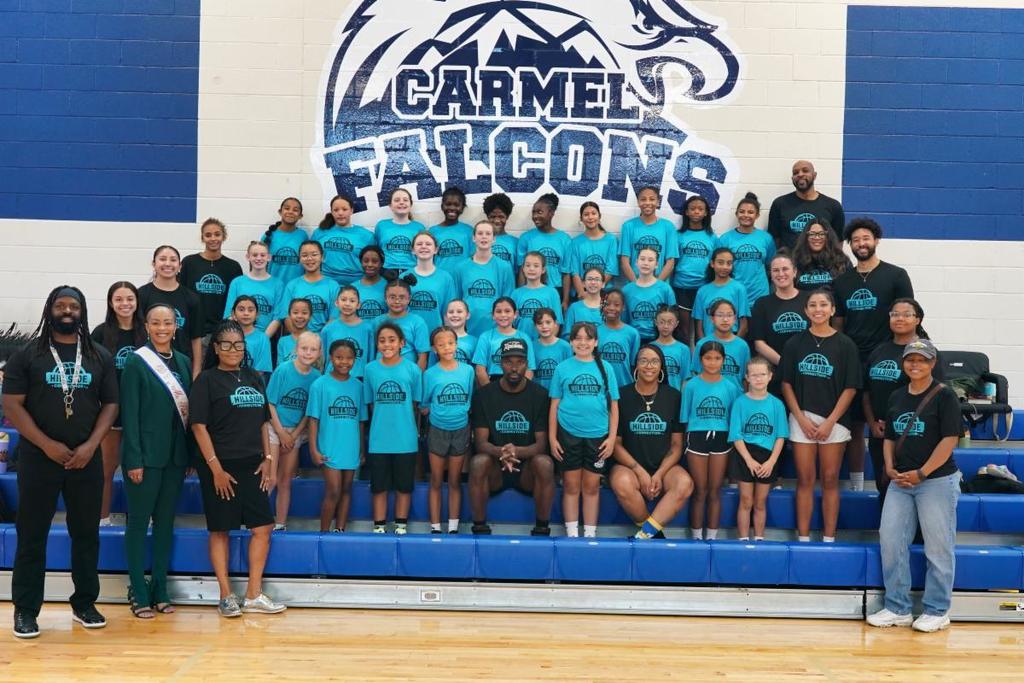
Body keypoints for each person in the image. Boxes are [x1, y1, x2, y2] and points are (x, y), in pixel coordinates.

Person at [3, 286, 119, 638]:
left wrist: (90, 446)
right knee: (31, 536)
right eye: (60, 305)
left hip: (85, 460)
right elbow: (11, 404)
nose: (67, 310)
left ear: (83, 311)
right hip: (39, 459)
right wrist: (46, 444)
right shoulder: (28, 355)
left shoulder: (99, 356)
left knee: (86, 535)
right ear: (49, 309)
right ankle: (25, 611)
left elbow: (111, 405)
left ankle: (84, 603)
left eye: (74, 305)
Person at [190, 320, 285, 618]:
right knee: (220, 530)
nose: (233, 350)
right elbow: (198, 427)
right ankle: (226, 595)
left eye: (239, 344)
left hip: (252, 465)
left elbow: (263, 422)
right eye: (226, 344)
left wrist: (268, 461)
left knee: (263, 527)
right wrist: (215, 469)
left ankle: (254, 594)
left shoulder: (254, 377)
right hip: (220, 467)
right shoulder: (206, 380)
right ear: (215, 348)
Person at [867, 339, 961, 633]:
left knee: (938, 547)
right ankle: (897, 607)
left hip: (936, 481)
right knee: (892, 542)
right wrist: (889, 466)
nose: (915, 364)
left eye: (922, 360)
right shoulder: (896, 396)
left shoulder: (945, 396)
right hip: (900, 481)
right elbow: (890, 436)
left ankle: (937, 609)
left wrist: (922, 472)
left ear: (933, 363)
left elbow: (949, 440)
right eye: (911, 360)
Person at [119, 303, 193, 618]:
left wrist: (188, 454)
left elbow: (188, 416)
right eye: (156, 322)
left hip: (175, 457)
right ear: (146, 326)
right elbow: (130, 415)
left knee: (165, 525)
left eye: (168, 322)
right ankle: (137, 590)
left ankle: (160, 587)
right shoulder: (137, 362)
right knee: (138, 524)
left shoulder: (184, 362)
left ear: (176, 326)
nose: (163, 328)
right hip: (145, 458)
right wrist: (133, 458)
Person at [834, 218, 915, 491]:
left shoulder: (896, 275)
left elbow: (910, 315)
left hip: (887, 360)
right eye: (855, 240)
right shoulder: (842, 282)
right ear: (850, 245)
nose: (861, 244)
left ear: (876, 240)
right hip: (854, 360)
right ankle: (858, 484)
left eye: (866, 238)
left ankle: (895, 479)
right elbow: (839, 326)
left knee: (888, 423)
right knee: (856, 424)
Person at [781, 290, 861, 542]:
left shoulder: (846, 345)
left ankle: (829, 539)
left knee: (829, 480)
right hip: (801, 418)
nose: (818, 309)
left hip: (834, 422)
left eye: (823, 304)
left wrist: (829, 422)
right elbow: (786, 384)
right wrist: (801, 418)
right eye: (812, 305)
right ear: (805, 311)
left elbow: (851, 388)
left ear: (833, 309)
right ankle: (803, 539)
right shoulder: (795, 343)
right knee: (805, 480)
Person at [468, 338, 555, 536]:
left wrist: (516, 451)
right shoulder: (484, 395)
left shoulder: (540, 395)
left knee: (544, 463)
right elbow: (481, 443)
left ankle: (542, 528)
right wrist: (502, 452)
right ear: (500, 363)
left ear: (527, 364)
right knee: (478, 462)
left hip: (527, 471)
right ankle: (479, 527)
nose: (514, 368)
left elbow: (541, 445)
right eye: (509, 362)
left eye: (520, 362)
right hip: (495, 470)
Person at [611, 345, 693, 539]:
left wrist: (659, 474)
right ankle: (655, 535)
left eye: (654, 361)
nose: (649, 366)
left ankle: (645, 534)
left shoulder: (673, 396)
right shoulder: (621, 396)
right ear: (636, 365)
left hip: (663, 467)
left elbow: (676, 445)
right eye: (643, 360)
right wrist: (639, 471)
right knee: (622, 483)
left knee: (685, 483)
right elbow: (615, 444)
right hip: (629, 466)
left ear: (661, 367)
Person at [549, 322, 619, 538]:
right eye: (577, 338)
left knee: (591, 487)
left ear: (595, 342)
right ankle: (572, 534)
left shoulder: (605, 368)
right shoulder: (562, 368)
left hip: (597, 435)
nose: (583, 342)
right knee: (570, 486)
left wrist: (612, 438)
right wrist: (552, 438)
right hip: (568, 434)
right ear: (570, 342)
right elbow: (554, 404)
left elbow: (614, 406)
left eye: (588, 338)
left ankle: (589, 535)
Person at [864, 298, 931, 500]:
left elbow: (932, 397)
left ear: (917, 319)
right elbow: (867, 392)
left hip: (911, 434)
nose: (899, 318)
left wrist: (897, 426)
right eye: (895, 314)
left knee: (910, 490)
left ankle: (915, 533)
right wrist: (871, 424)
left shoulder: (925, 352)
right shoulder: (879, 350)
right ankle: (888, 532)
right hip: (880, 434)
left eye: (906, 314)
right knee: (884, 488)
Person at [90, 281, 145, 526]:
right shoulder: (100, 333)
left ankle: (143, 517)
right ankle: (102, 518)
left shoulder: (148, 331)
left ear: (137, 302)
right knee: (105, 469)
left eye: (130, 299)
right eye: (119, 299)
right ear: (111, 303)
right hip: (109, 412)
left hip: (141, 413)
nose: (125, 304)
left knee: (141, 470)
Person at [363, 322, 423, 534]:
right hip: (379, 439)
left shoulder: (413, 369)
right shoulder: (370, 369)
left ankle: (401, 524)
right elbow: (369, 405)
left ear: (402, 343)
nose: (387, 344)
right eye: (382, 340)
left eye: (392, 340)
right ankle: (379, 526)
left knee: (404, 486)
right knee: (378, 486)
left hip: (405, 439)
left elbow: (416, 405)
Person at [680, 340, 741, 540]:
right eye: (708, 358)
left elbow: (734, 419)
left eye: (717, 358)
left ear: (723, 360)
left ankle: (712, 538)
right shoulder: (691, 385)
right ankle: (697, 537)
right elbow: (685, 417)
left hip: (721, 438)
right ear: (700, 360)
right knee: (700, 490)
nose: (712, 362)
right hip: (697, 436)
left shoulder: (731, 387)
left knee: (715, 491)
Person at [307, 340, 365, 533]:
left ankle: (340, 530)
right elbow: (313, 419)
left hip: (350, 446)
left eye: (349, 358)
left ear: (355, 360)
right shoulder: (319, 384)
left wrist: (362, 449)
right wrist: (314, 449)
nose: (344, 362)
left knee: (347, 488)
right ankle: (323, 533)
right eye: (339, 357)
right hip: (329, 446)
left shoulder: (358, 386)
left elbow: (361, 421)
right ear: (331, 358)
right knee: (333, 490)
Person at [728, 357, 789, 541]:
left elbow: (780, 436)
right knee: (746, 501)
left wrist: (771, 462)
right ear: (746, 377)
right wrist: (749, 460)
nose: (758, 379)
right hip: (745, 454)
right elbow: (736, 436)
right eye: (754, 375)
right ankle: (743, 539)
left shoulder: (777, 404)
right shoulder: (739, 402)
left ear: (770, 376)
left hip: (767, 457)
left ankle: (759, 538)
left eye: (762, 374)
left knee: (760, 502)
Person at [266, 331, 322, 530]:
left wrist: (294, 435)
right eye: (304, 348)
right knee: (270, 478)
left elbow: (309, 413)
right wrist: (281, 432)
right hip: (275, 427)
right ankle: (257, 520)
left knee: (285, 480)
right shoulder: (283, 370)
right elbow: (270, 404)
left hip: (295, 432)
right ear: (296, 349)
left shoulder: (317, 378)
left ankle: (280, 523)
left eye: (313, 349)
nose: (308, 353)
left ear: (319, 353)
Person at [422, 327, 475, 534]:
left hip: (460, 428)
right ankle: (435, 526)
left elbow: (469, 399)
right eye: (441, 344)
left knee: (454, 480)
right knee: (436, 479)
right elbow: (425, 404)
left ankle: (453, 527)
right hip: (437, 429)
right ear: (434, 348)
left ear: (456, 344)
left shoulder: (468, 371)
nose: (446, 347)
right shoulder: (430, 373)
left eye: (450, 343)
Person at [749, 252, 810, 398]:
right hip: (776, 373)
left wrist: (801, 364)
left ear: (794, 272)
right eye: (776, 270)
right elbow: (759, 343)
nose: (780, 274)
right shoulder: (762, 304)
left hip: (807, 371)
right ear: (770, 274)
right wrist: (785, 364)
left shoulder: (809, 299)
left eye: (785, 269)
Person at [137, 245, 203, 377]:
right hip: (148, 365)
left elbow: (196, 339)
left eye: (173, 260)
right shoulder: (141, 295)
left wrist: (196, 373)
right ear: (153, 264)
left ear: (180, 266)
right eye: (162, 259)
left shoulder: (191, 298)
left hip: (182, 367)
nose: (167, 263)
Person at [179, 218, 243, 343]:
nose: (213, 238)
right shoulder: (189, 263)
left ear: (223, 236)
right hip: (194, 331)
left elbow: (237, 302)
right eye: (208, 235)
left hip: (222, 332)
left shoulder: (233, 267)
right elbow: (181, 295)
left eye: (217, 234)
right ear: (202, 238)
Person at [454, 220, 515, 337]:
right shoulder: (460, 268)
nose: (484, 237)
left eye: (488, 234)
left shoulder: (504, 267)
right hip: (466, 328)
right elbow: (457, 300)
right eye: (480, 233)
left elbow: (507, 302)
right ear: (473, 238)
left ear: (494, 239)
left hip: (495, 329)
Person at [767, 160, 845, 251]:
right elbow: (774, 239)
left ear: (814, 175)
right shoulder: (779, 204)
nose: (800, 174)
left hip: (822, 264)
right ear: (792, 178)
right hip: (790, 263)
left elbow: (838, 241)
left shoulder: (833, 206)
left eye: (805, 170)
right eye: (795, 172)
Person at [716, 193, 775, 308]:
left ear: (757, 215)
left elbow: (770, 266)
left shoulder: (766, 238)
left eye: (750, 212)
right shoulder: (725, 239)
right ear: (736, 213)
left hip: (760, 295)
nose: (746, 215)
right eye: (742, 211)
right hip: (733, 295)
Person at [671, 195, 716, 344]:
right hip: (682, 287)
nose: (696, 212)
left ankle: (699, 365)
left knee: (701, 331)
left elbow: (715, 264)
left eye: (700, 209)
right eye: (693, 209)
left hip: (703, 288)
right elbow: (672, 262)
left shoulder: (712, 237)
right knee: (683, 331)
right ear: (686, 212)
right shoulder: (678, 235)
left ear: (705, 213)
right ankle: (686, 365)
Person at [518, 193, 571, 307]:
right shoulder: (526, 238)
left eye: (539, 212)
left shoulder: (564, 239)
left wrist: (565, 300)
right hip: (531, 289)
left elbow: (566, 273)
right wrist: (521, 293)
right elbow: (521, 271)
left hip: (556, 290)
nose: (535, 216)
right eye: (534, 212)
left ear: (551, 213)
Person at [277, 241, 340, 333]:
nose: (309, 258)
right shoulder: (292, 285)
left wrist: (317, 339)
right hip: (297, 340)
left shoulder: (333, 286)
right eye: (304, 255)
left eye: (314, 254)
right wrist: (300, 338)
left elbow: (334, 317)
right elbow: (286, 316)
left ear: (322, 257)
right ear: (299, 259)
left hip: (323, 341)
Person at [313, 194, 375, 286]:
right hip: (326, 283)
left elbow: (374, 263)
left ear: (351, 211)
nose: (340, 213)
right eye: (336, 210)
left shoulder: (366, 236)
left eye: (344, 209)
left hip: (356, 284)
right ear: (332, 212)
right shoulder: (320, 232)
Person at [223, 241, 285, 334]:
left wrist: (263, 339)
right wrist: (239, 337)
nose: (259, 258)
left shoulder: (278, 284)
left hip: (266, 337)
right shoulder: (237, 282)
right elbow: (229, 315)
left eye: (263, 255)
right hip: (239, 338)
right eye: (255, 255)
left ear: (269, 257)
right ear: (248, 257)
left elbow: (277, 318)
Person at [619, 186, 678, 284]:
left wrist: (656, 285)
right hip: (634, 284)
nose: (647, 203)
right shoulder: (628, 226)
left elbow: (670, 262)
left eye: (652, 199)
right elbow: (624, 261)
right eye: (643, 199)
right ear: (638, 202)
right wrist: (637, 284)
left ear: (658, 202)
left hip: (659, 285)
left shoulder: (668, 226)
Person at [472, 297, 536, 385]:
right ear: (493, 315)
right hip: (492, 383)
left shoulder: (524, 338)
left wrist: (520, 391)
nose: (503, 315)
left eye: (507, 311)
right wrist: (490, 392)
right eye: (498, 311)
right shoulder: (485, 337)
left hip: (518, 382)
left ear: (515, 314)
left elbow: (529, 369)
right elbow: (480, 369)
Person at [402, 231, 456, 331]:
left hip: (436, 336)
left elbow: (448, 312)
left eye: (428, 244)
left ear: (436, 249)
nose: (423, 246)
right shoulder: (403, 277)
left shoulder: (445, 278)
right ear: (413, 250)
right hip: (408, 334)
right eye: (419, 244)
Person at [692, 247, 750, 339]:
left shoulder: (739, 289)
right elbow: (699, 325)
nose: (725, 267)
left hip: (732, 339)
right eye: (720, 262)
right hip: (709, 343)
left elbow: (743, 324)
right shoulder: (702, 291)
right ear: (712, 263)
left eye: (729, 263)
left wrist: (735, 344)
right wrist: (704, 345)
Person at [691, 299, 750, 389]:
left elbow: (745, 379)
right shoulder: (702, 344)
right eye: (720, 315)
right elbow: (696, 374)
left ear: (735, 319)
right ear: (712, 319)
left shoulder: (742, 346)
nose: (725, 319)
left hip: (735, 399)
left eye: (729, 315)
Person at [320, 286, 375, 379]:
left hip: (359, 378)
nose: (347, 304)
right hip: (332, 377)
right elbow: (322, 360)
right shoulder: (328, 329)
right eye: (343, 300)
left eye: (352, 301)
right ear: (336, 303)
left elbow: (371, 359)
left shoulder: (368, 329)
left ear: (358, 305)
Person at [622, 246, 675, 342]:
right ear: (636, 262)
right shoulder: (626, 290)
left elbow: (673, 317)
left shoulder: (665, 289)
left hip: (659, 339)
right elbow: (623, 321)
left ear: (656, 264)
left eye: (650, 260)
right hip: (634, 340)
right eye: (642, 259)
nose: (646, 263)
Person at [377, 278, 430, 369]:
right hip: (381, 371)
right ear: (385, 298)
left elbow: (423, 356)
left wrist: (416, 378)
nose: (397, 301)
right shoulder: (377, 322)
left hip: (408, 373)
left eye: (402, 297)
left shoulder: (417, 322)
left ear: (409, 299)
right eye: (392, 297)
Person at [568, 202, 618, 295]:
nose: (590, 217)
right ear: (581, 219)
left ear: (599, 216)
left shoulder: (611, 240)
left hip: (604, 292)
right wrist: (582, 293)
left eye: (593, 213)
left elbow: (611, 270)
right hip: (582, 292)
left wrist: (595, 291)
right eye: (586, 214)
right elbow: (575, 273)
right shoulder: (575, 242)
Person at [511, 251, 563, 340]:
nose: (531, 269)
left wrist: (547, 342)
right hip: (520, 341)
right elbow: (511, 323)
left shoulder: (552, 293)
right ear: (523, 268)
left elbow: (557, 322)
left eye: (536, 266)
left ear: (543, 270)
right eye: (527, 265)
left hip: (543, 343)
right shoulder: (516, 293)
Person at [376, 188, 426, 277]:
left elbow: (423, 253)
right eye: (397, 200)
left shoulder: (419, 228)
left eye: (405, 200)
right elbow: (376, 251)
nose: (401, 202)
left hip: (412, 272)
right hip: (386, 271)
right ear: (390, 205)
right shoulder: (381, 226)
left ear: (410, 205)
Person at [597, 289, 640, 388]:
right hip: (602, 387)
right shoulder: (595, 332)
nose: (611, 308)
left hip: (625, 386)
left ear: (623, 307)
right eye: (607, 304)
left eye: (616, 305)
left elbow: (634, 364)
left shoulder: (632, 333)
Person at [793, 219, 850, 291]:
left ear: (828, 236)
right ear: (806, 237)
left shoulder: (842, 261)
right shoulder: (795, 261)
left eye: (821, 234)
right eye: (812, 234)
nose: (817, 238)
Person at [263, 197, 308, 284]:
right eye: (287, 208)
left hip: (296, 288)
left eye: (295, 210)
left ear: (300, 216)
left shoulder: (303, 236)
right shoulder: (269, 235)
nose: (290, 212)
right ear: (280, 212)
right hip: (272, 286)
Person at [429, 187, 474, 273]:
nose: (452, 208)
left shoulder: (469, 231)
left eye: (456, 205)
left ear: (462, 208)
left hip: (462, 279)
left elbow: (473, 258)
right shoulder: (432, 231)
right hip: (440, 280)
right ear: (442, 206)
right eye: (448, 204)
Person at [231, 296, 272, 376]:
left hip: (252, 383)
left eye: (250, 310)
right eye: (241, 309)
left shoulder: (263, 339)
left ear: (257, 314)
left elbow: (260, 371)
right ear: (233, 314)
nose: (246, 313)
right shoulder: (227, 336)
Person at [651, 305, 691, 391]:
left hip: (675, 396)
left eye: (670, 322)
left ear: (676, 324)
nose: (665, 326)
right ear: (655, 322)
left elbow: (685, 379)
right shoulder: (650, 348)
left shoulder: (683, 349)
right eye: (662, 322)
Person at [532, 308, 572, 390]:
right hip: (537, 392)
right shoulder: (531, 346)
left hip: (559, 393)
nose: (544, 326)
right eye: (540, 323)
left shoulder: (565, 347)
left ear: (555, 324)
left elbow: (569, 372)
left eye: (548, 322)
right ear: (535, 326)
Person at [428, 299, 476, 366]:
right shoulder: (438, 338)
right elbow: (432, 366)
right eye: (451, 312)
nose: (455, 315)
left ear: (467, 315)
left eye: (459, 312)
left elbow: (477, 370)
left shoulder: (474, 341)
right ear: (446, 316)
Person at [482, 192, 520, 269]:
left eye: (501, 216)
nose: (497, 220)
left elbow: (519, 272)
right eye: (492, 216)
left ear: (507, 217)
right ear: (487, 216)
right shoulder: (480, 240)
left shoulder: (516, 242)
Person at [563, 267, 605, 334]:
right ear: (583, 283)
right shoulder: (574, 308)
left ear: (603, 284)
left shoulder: (608, 307)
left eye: (597, 279)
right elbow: (567, 334)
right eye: (589, 279)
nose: (593, 282)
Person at [353, 244, 388, 323]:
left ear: (382, 263)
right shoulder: (352, 288)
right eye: (366, 261)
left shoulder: (389, 287)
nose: (370, 264)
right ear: (361, 262)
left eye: (375, 261)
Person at [275, 298, 312, 368]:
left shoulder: (316, 340)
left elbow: (319, 368)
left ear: (310, 316)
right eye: (295, 313)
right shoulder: (283, 341)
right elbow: (280, 368)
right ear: (289, 315)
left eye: (304, 313)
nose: (300, 316)